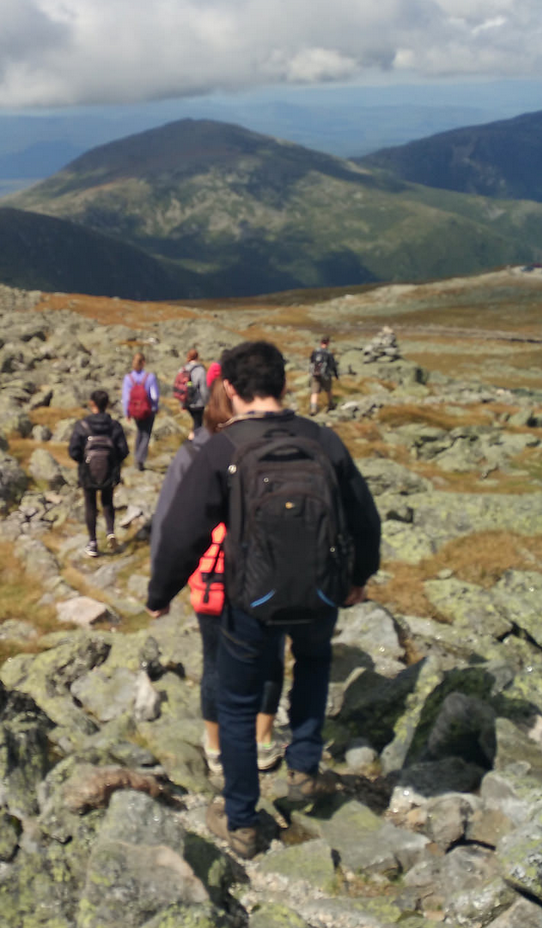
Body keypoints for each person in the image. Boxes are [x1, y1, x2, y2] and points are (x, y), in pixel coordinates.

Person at [146, 340, 380, 860]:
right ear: (285, 383)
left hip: (249, 596)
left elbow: (185, 530)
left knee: (235, 701)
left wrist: (160, 593)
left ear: (229, 388)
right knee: (314, 663)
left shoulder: (222, 449)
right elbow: (365, 516)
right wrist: (359, 575)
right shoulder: (324, 440)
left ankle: (243, 821)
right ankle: (302, 768)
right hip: (321, 590)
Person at [151, 373, 284, 786]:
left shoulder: (195, 452)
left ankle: (216, 748)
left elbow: (170, 523)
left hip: (212, 580)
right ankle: (262, 742)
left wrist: (161, 587)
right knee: (271, 657)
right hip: (270, 576)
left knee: (215, 663)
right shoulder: (277, 443)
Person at [68, 389, 129, 558]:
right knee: (107, 501)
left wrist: (83, 461)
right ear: (107, 404)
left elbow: (73, 451)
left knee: (90, 505)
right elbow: (124, 450)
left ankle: (93, 543)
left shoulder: (82, 426)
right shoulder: (114, 426)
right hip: (109, 470)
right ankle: (110, 531)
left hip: (88, 472)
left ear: (91, 404)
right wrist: (113, 461)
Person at [121, 352, 159, 471]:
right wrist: (155, 407)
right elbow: (154, 396)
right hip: (148, 410)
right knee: (146, 434)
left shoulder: (128, 378)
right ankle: (140, 460)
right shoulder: (150, 377)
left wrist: (127, 413)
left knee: (139, 432)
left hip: (135, 411)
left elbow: (126, 398)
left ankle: (136, 457)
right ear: (144, 362)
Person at [174, 348, 210, 435]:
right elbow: (203, 389)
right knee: (198, 424)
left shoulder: (182, 369)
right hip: (198, 403)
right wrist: (207, 402)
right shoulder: (200, 370)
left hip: (186, 401)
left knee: (195, 423)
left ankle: (193, 439)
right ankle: (195, 443)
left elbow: (179, 387)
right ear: (197, 357)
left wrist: (182, 404)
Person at [309, 335, 340, 416]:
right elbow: (333, 365)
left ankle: (313, 408)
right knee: (328, 390)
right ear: (328, 343)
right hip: (325, 374)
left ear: (321, 342)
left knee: (314, 392)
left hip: (314, 373)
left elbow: (311, 361)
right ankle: (331, 404)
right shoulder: (328, 353)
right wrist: (336, 375)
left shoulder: (315, 351)